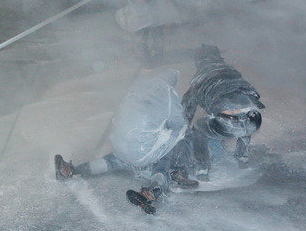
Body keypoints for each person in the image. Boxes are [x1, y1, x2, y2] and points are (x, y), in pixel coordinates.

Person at [55, 68, 199, 215]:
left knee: (111, 161)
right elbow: (179, 124)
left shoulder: (138, 85)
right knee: (171, 150)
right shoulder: (168, 93)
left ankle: (72, 170)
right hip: (142, 153)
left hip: (121, 146)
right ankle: (155, 189)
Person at [180, 45, 264, 180]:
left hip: (228, 124)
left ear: (199, 61)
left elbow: (186, 111)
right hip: (254, 120)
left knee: (198, 128)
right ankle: (242, 157)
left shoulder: (199, 78)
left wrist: (182, 130)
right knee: (245, 114)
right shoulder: (231, 71)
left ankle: (202, 167)